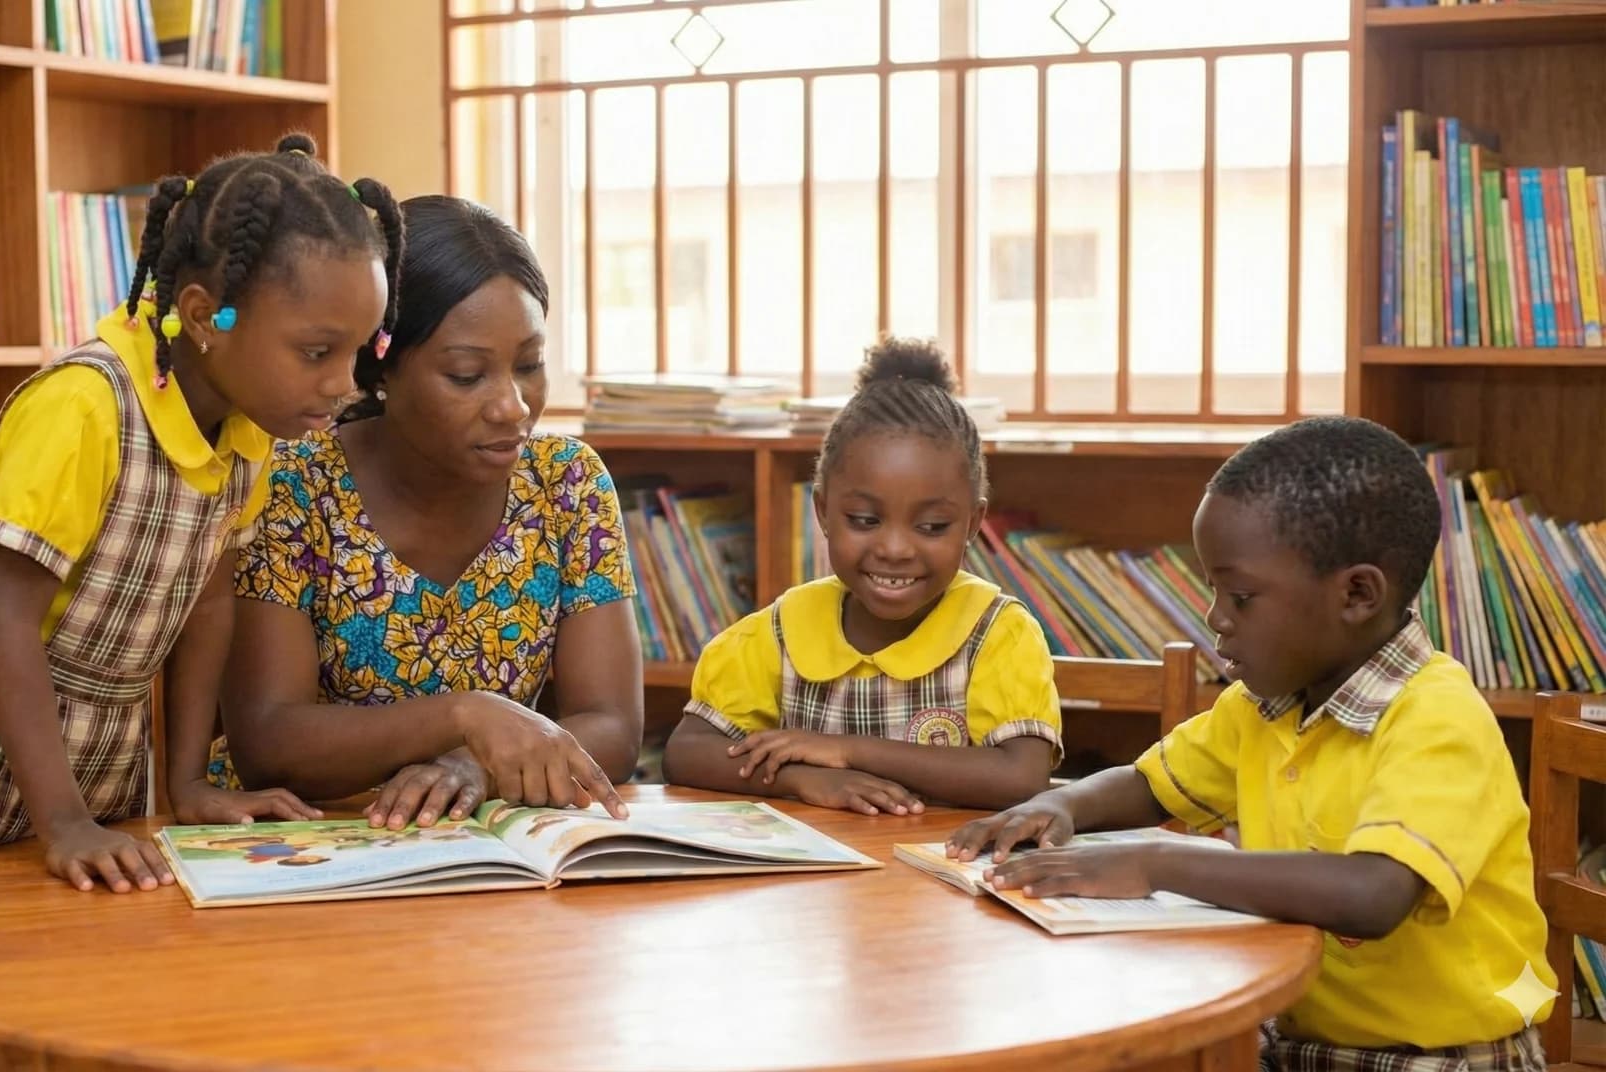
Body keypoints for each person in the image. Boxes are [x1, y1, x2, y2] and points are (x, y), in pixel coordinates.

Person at [0, 133, 401, 1072]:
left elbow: (206, 600)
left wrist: (185, 782)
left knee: (38, 990)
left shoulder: (249, 431)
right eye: (315, 351)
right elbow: (5, 623)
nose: (343, 386)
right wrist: (60, 820)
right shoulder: (84, 407)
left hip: (96, 740)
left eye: (360, 351)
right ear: (204, 316)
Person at [948, 415, 1555, 1070]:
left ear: (1357, 594)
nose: (1215, 618)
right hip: (1294, 1039)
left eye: (1240, 597)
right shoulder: (1267, 703)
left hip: (1444, 1059)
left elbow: (1373, 893)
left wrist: (1155, 864)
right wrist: (1059, 806)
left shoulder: (1437, 719)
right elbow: (1150, 784)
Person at [210, 194, 640, 829]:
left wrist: (475, 766)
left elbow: (614, 726)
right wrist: (464, 715)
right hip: (300, 836)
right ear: (380, 369)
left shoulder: (566, 482)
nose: (514, 406)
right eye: (467, 375)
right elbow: (267, 742)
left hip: (476, 838)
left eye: (529, 365)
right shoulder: (295, 483)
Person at [661, 338, 1061, 815]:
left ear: (973, 523)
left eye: (932, 526)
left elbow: (1022, 778)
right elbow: (687, 753)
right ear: (823, 511)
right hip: (822, 863)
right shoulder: (782, 630)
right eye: (865, 521)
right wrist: (802, 779)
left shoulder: (997, 633)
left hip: (946, 861)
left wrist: (847, 751)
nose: (894, 549)